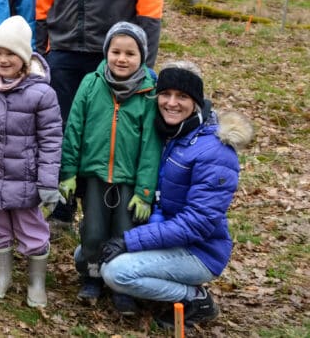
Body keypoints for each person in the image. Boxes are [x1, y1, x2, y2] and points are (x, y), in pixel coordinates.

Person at [36, 0, 163, 226]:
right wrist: (43, 49)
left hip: (113, 55)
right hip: (62, 52)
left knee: (102, 132)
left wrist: (144, 59)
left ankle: (101, 209)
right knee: (59, 127)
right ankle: (61, 206)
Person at [99, 62, 252, 328]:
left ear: (196, 102)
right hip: (164, 232)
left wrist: (130, 240)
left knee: (116, 272)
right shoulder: (166, 134)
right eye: (165, 94)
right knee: (88, 252)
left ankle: (195, 297)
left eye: (182, 96)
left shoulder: (215, 151)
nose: (172, 103)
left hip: (198, 251)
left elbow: (198, 223)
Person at [58, 22, 161, 312]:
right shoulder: (92, 82)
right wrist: (67, 173)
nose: (122, 58)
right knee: (92, 232)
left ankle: (120, 286)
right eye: (115, 51)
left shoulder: (149, 92)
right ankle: (91, 276)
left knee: (124, 234)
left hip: (129, 180)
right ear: (106, 52)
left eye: (130, 53)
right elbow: (74, 127)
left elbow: (151, 146)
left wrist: (144, 190)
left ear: (142, 56)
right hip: (94, 176)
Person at [0, 15, 62, 308]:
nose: (3, 60)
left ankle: (36, 282)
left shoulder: (42, 93)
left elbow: (52, 141)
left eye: (11, 54)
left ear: (24, 57)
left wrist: (47, 183)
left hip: (26, 180)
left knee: (32, 230)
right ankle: (3, 277)